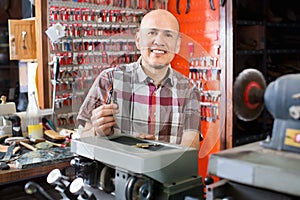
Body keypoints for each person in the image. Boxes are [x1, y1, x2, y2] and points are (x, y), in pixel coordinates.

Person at [76, 9, 201, 149]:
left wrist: (158, 150)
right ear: (138, 40)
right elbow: (81, 136)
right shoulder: (109, 79)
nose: (159, 41)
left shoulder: (189, 90)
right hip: (115, 170)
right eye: (152, 33)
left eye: (168, 35)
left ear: (177, 45)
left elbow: (191, 147)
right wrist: (95, 131)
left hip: (167, 171)